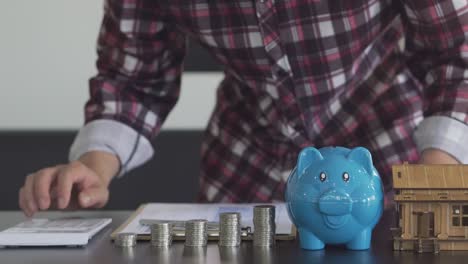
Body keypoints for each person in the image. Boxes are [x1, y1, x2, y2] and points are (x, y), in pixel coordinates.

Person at [19, 0, 467, 216]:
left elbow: (457, 52)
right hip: (246, 163)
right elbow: (134, 78)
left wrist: (436, 183)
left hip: (390, 154)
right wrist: (92, 168)